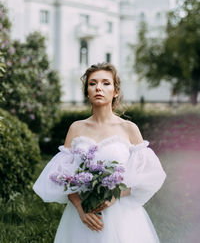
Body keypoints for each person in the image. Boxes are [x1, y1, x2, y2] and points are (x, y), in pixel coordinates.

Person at [33, 62, 166, 243]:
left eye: (106, 83)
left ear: (115, 91)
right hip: (82, 217)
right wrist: (81, 209)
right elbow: (63, 176)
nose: (98, 88)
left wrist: (114, 196)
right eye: (92, 83)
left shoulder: (129, 129)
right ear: (87, 91)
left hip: (121, 215)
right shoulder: (76, 128)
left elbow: (145, 175)